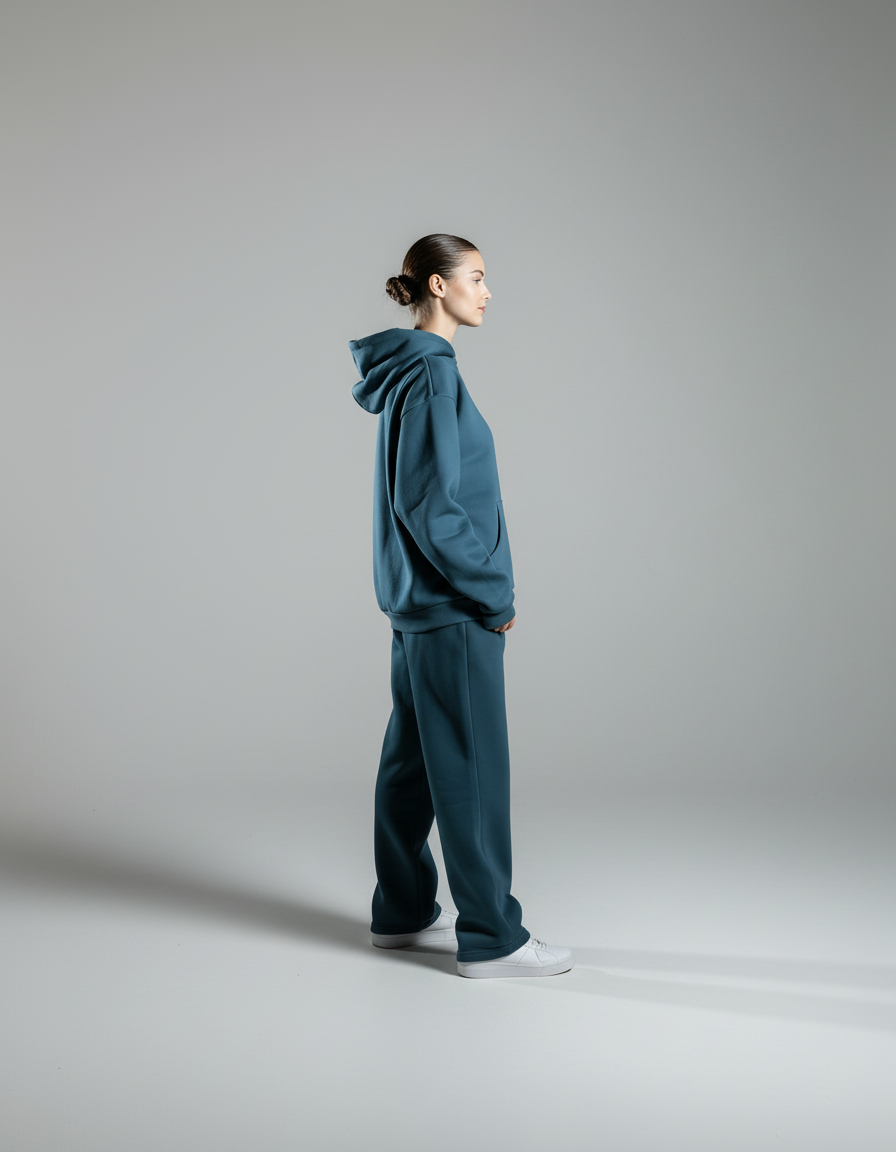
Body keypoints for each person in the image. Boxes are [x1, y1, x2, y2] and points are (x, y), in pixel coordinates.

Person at [349, 234, 573, 979]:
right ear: (436, 287)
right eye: (476, 277)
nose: (486, 291)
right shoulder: (434, 372)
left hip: (416, 604)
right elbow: (428, 504)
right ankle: (493, 938)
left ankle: (403, 911)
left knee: (411, 764)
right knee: (471, 767)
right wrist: (492, 591)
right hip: (451, 605)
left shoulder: (408, 370)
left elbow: (414, 497)